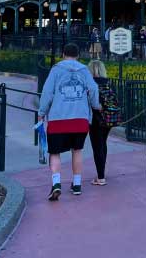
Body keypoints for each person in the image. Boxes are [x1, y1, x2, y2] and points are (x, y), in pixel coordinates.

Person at [39, 43, 101, 200]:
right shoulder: (84, 70)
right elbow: (93, 89)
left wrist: (42, 112)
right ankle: (77, 184)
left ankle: (56, 183)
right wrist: (95, 105)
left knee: (54, 152)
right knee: (77, 150)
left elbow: (47, 93)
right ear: (78, 55)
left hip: (58, 118)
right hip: (80, 119)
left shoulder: (56, 70)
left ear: (63, 54)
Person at [87, 59, 119, 186]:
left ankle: (100, 177)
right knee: (103, 143)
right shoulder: (109, 82)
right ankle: (102, 172)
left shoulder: (90, 83)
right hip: (109, 117)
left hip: (95, 118)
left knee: (97, 146)